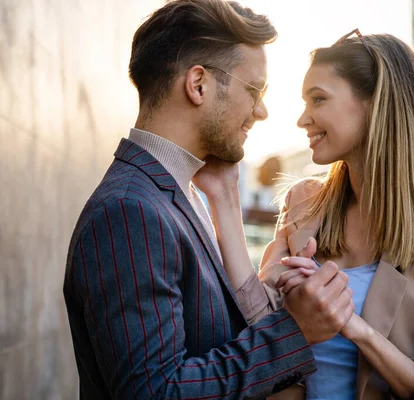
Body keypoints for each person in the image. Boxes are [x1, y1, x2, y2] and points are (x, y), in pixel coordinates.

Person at [62, 1, 356, 399]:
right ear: (198, 84)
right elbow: (156, 392)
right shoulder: (130, 210)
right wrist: (293, 332)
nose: (262, 110)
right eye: (254, 90)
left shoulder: (181, 194)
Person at [198, 30, 414, 399]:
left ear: (376, 104)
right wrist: (223, 197)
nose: (303, 119)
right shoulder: (304, 204)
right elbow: (257, 327)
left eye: (318, 99)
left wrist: (356, 328)